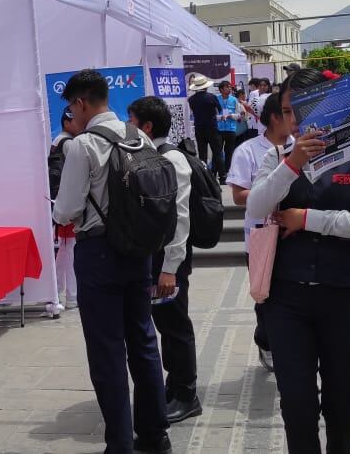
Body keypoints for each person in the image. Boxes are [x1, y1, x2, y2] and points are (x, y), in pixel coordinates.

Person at [245, 67, 350, 454]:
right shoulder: (277, 156)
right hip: (287, 298)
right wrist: (290, 166)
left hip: (345, 293)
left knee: (342, 400)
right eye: (287, 112)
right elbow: (255, 207)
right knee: (297, 402)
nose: (294, 122)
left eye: (300, 110)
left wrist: (305, 218)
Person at [52, 70, 171, 454]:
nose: (72, 114)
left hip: (99, 253)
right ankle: (155, 437)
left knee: (107, 352)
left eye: (72, 107)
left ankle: (120, 444)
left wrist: (62, 213)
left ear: (82, 103)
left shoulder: (82, 145)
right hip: (138, 251)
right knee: (144, 342)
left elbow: (66, 209)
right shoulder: (138, 136)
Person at [127, 96, 202, 425]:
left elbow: (180, 218)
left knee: (174, 325)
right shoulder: (153, 156)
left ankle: (187, 395)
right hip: (157, 256)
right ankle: (174, 387)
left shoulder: (172, 160)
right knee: (166, 324)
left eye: (131, 121)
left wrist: (170, 268)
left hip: (169, 259)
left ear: (146, 126)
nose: (127, 128)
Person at [227, 94, 295, 373]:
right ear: (274, 117)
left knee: (289, 297)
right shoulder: (248, 150)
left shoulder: (301, 146)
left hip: (294, 231)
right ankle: (264, 341)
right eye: (289, 112)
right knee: (264, 295)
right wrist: (270, 194)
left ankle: (289, 347)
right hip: (261, 236)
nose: (295, 119)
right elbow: (237, 195)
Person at [51, 111, 80, 312]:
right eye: (76, 121)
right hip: (68, 204)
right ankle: (71, 297)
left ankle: (59, 290)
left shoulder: (57, 141)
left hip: (59, 203)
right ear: (67, 122)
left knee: (64, 249)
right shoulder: (68, 143)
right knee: (69, 250)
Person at [188, 73, 223, 178]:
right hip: (212, 127)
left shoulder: (191, 99)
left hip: (199, 128)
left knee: (202, 154)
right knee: (217, 152)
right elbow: (219, 110)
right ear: (206, 86)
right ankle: (222, 176)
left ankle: (204, 176)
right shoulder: (211, 97)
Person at [216, 81, 241, 183]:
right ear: (221, 89)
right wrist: (220, 117)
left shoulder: (234, 100)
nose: (229, 89)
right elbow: (213, 115)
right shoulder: (216, 99)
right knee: (218, 152)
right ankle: (218, 172)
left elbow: (239, 115)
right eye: (227, 87)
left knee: (229, 152)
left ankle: (227, 172)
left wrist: (231, 116)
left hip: (231, 129)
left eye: (230, 87)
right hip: (219, 129)